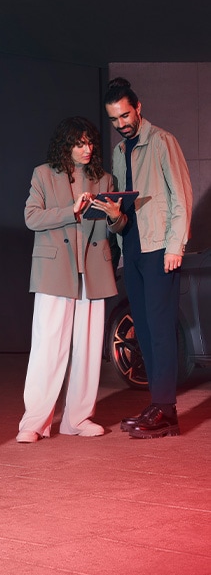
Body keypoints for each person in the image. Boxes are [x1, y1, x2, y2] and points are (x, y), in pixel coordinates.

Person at [93, 77, 192, 439]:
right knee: (145, 331)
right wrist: (112, 217)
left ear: (139, 107)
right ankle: (159, 406)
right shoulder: (120, 153)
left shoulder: (163, 142)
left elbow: (181, 197)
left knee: (162, 329)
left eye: (125, 115)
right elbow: (123, 209)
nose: (122, 123)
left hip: (158, 250)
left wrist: (175, 247)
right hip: (132, 250)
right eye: (115, 119)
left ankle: (166, 410)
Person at [17, 117, 118, 442]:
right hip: (56, 271)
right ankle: (34, 422)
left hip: (93, 270)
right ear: (66, 145)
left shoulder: (104, 179)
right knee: (48, 346)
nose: (87, 149)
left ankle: (77, 419)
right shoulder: (43, 174)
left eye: (90, 143)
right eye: (79, 143)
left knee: (88, 349)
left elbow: (114, 229)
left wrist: (117, 217)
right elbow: (31, 217)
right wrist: (70, 211)